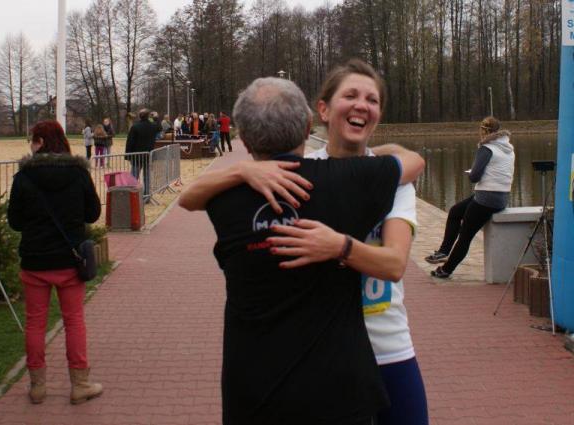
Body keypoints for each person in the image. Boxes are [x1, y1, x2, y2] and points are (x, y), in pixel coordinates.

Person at [179, 77, 424, 425]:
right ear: (311, 124)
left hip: (251, 390)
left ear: (243, 138)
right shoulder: (347, 180)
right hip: (336, 388)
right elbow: (413, 162)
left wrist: (238, 172)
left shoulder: (222, 200)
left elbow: (187, 199)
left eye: (371, 99)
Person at [7, 120, 102, 405]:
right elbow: (93, 213)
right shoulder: (78, 174)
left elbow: (15, 221)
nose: (30, 145)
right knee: (74, 321)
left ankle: (37, 386)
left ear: (40, 142)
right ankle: (80, 384)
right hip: (69, 260)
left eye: (32, 140)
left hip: (35, 260)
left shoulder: (23, 177)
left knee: (35, 323)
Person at [426, 116, 514, 278]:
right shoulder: (508, 148)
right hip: (501, 198)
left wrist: (471, 172)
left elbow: (474, 177)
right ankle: (443, 251)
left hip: (486, 199)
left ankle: (446, 270)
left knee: (465, 236)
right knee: (455, 211)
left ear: (483, 131)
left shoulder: (486, 148)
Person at [125, 108, 160, 200]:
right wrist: (156, 118)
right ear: (148, 116)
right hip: (148, 155)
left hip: (137, 156)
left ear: (140, 116)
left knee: (134, 177)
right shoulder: (153, 126)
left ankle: (132, 196)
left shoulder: (135, 127)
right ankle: (147, 196)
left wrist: (128, 156)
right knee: (147, 177)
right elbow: (159, 128)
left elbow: (130, 142)